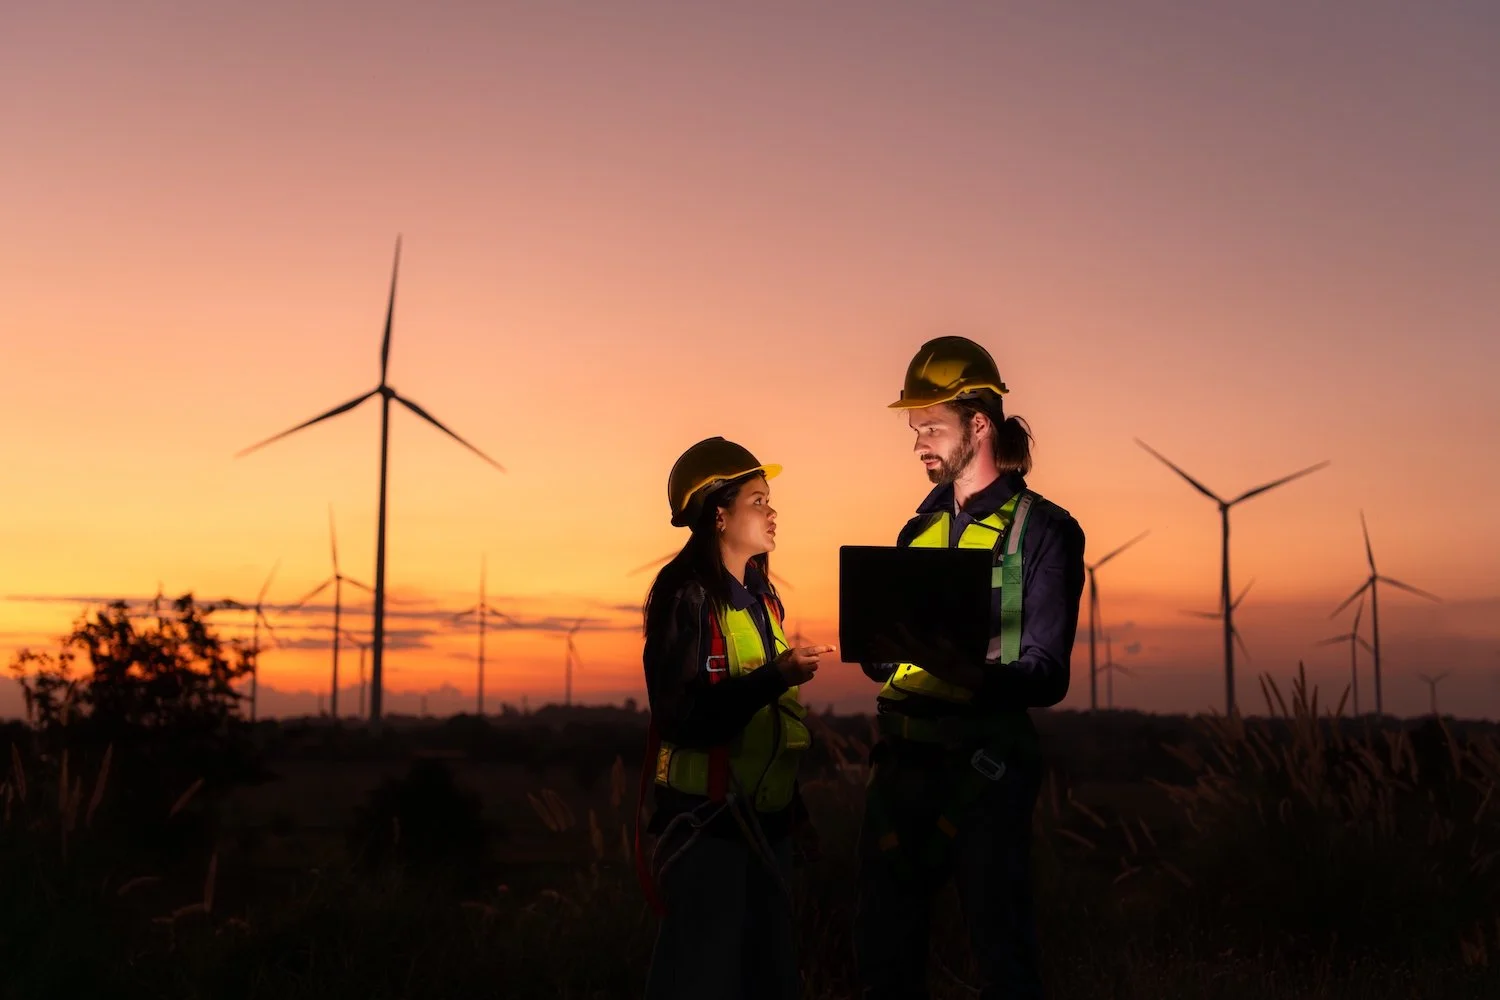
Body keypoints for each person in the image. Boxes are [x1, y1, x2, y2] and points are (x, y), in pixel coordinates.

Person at [853, 337, 1086, 1000]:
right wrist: (877, 642)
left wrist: (968, 672)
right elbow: (882, 666)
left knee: (1002, 956)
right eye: (913, 429)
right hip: (900, 772)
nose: (918, 442)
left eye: (931, 426)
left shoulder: (1043, 532)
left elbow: (1048, 671)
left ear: (979, 424)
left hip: (986, 772)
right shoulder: (913, 532)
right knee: (882, 960)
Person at [633, 436, 837, 1000]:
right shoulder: (688, 599)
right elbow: (682, 717)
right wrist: (777, 676)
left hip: (765, 830)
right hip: (708, 832)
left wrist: (794, 815)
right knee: (700, 982)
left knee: (770, 982)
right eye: (758, 500)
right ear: (719, 516)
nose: (773, 512)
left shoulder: (763, 600)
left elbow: (771, 728)